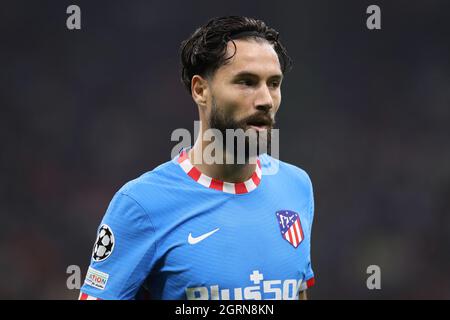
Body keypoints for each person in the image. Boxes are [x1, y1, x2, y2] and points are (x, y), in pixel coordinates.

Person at [79, 16, 315, 300]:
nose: (265, 99)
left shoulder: (296, 186)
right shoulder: (141, 205)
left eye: (274, 83)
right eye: (246, 82)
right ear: (200, 90)